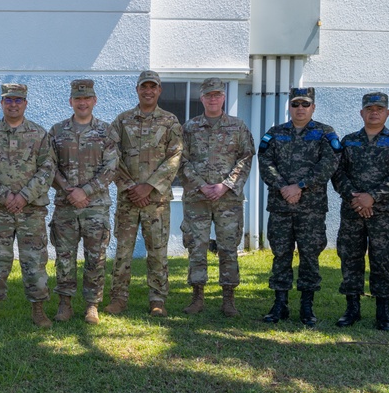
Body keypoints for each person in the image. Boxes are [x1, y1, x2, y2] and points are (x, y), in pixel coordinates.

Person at [258, 87, 341, 327]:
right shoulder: (275, 133)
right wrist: (285, 186)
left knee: (310, 256)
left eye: (305, 104)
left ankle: (307, 306)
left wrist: (300, 186)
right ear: (289, 107)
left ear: (313, 107)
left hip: (311, 208)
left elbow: (330, 163)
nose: (300, 109)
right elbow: (265, 162)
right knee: (280, 255)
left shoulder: (325, 133)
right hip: (281, 205)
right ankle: (280, 304)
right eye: (295, 104)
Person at [0, 83, 55, 329]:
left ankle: (39, 311)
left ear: (25, 103)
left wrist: (24, 197)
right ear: (2, 103)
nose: (13, 104)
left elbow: (47, 169)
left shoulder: (39, 134)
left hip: (31, 211)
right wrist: (4, 196)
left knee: (35, 262)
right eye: (8, 100)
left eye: (18, 100)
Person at [332, 92, 389, 331]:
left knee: (383, 260)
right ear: (361, 113)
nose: (374, 112)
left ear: (387, 113)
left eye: (379, 109)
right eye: (369, 108)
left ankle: (383, 312)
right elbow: (337, 172)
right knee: (350, 258)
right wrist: (356, 199)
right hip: (352, 211)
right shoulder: (348, 141)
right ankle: (352, 309)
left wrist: (372, 197)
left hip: (383, 213)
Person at [105, 70, 183, 317]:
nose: (148, 91)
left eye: (153, 87)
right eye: (144, 87)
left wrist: (148, 186)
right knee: (123, 251)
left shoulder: (170, 121)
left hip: (156, 200)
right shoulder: (122, 121)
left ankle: (157, 299)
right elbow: (111, 156)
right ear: (137, 89)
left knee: (157, 251)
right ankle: (118, 298)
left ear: (159, 90)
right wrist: (131, 187)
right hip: (129, 199)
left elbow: (175, 156)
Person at [178, 77, 255, 317]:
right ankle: (197, 297)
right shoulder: (189, 128)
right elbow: (180, 160)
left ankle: (229, 300)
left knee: (228, 247)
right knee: (196, 247)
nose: (213, 98)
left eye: (217, 94)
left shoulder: (238, 126)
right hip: (196, 199)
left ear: (223, 97)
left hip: (228, 200)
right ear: (201, 98)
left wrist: (225, 185)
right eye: (208, 95)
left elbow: (246, 157)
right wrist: (201, 186)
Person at [49, 79, 118, 324]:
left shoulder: (106, 132)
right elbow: (49, 166)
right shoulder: (57, 132)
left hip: (95, 207)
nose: (82, 102)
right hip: (66, 206)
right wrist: (70, 190)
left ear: (94, 101)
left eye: (87, 98)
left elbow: (111, 168)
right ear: (71, 101)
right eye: (78, 99)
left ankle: (91, 305)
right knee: (64, 257)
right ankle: (64, 304)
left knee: (95, 257)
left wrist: (85, 191)